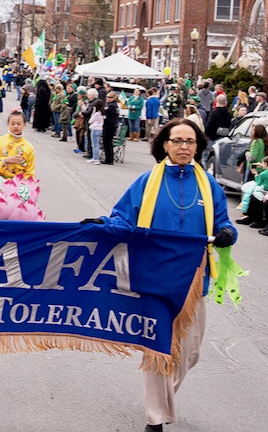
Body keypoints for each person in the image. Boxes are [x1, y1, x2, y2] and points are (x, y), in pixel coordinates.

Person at [102, 118, 236, 432]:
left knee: (190, 352)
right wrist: (101, 225)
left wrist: (228, 233)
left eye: (190, 142)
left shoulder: (209, 185)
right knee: (159, 347)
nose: (184, 147)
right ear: (165, 144)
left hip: (192, 282)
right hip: (154, 279)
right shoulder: (147, 182)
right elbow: (122, 219)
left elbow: (222, 224)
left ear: (198, 147)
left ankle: (163, 400)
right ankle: (156, 417)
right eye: (177, 141)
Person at [0, 109, 35, 178]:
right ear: (8, 124)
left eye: (19, 124)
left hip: (19, 184)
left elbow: (30, 171)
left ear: (24, 125)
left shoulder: (28, 147)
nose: (16, 126)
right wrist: (5, 160)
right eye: (13, 124)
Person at [102, 91, 120, 165]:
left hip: (109, 126)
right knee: (107, 143)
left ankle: (109, 159)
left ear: (113, 98)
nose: (107, 98)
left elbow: (105, 113)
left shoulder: (112, 106)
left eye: (109, 97)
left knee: (107, 143)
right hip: (110, 125)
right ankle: (108, 158)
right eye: (107, 97)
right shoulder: (112, 105)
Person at [87, 99, 104, 164]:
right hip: (100, 129)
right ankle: (95, 158)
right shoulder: (102, 113)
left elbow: (90, 121)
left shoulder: (97, 113)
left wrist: (93, 112)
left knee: (94, 145)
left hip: (95, 129)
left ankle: (96, 159)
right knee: (96, 144)